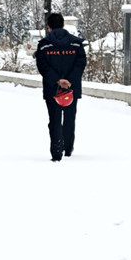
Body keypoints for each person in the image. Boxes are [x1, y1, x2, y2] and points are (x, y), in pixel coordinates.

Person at [35, 12, 86, 162]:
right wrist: (69, 80)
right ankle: (68, 148)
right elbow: (80, 63)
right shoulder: (76, 43)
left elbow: (42, 66)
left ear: (49, 27)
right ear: (63, 25)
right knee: (70, 118)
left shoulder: (44, 45)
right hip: (72, 88)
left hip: (52, 89)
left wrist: (57, 80)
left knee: (55, 119)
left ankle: (56, 151)